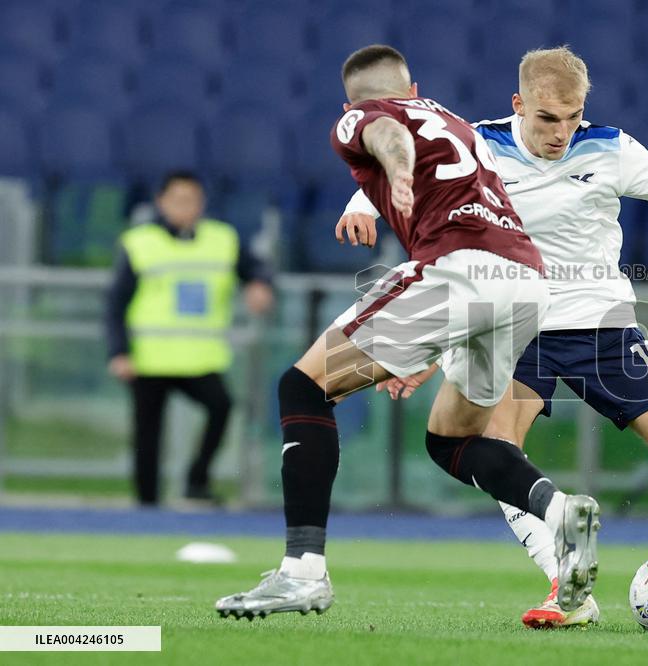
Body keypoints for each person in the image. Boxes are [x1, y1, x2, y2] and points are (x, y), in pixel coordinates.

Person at [339, 46, 648, 628]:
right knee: (497, 451)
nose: (561, 131)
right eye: (548, 118)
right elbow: (401, 167)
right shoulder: (474, 145)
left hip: (601, 325)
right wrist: (360, 205)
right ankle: (567, 588)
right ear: (518, 105)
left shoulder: (611, 149)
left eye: (572, 116)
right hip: (516, 325)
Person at [215, 45, 600, 620]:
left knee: (303, 388)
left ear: (353, 101)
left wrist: (395, 170)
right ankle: (558, 507)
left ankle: (302, 572)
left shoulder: (361, 117)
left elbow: (385, 133)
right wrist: (429, 341)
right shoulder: (455, 124)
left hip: (456, 270)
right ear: (414, 86)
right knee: (454, 441)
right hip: (521, 280)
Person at [106, 170, 274, 506]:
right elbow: (115, 303)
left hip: (199, 356)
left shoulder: (222, 239)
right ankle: (147, 505)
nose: (186, 207)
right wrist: (119, 351)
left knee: (221, 407)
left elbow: (255, 269)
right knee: (148, 434)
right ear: (161, 202)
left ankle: (196, 480)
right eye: (178, 200)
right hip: (150, 357)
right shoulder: (140, 243)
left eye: (193, 200)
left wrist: (259, 283)